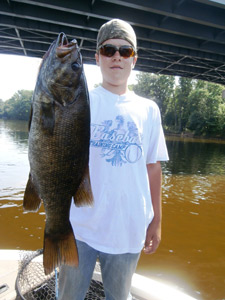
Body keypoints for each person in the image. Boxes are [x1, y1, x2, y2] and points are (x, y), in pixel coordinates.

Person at [59, 19, 169, 300]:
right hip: (80, 225)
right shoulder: (79, 100)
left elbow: (152, 167)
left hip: (128, 228)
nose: (117, 56)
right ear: (97, 58)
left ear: (134, 59)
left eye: (125, 51)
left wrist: (156, 219)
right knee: (69, 296)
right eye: (108, 50)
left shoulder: (149, 109)